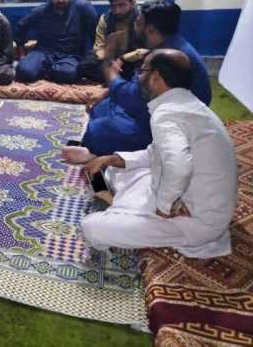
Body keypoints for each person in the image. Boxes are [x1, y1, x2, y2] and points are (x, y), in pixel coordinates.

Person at [78, 49, 237, 258]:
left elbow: (179, 166)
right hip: (182, 192)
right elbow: (156, 154)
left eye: (142, 71)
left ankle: (120, 208)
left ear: (155, 77)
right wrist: (111, 159)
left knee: (91, 227)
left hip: (193, 218)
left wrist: (164, 206)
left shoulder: (167, 114)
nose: (138, 78)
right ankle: (121, 205)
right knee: (114, 171)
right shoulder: (186, 105)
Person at [64, 0, 211, 161]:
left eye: (138, 23)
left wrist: (108, 61)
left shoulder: (168, 56)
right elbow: (138, 83)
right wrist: (108, 91)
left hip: (170, 125)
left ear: (150, 29)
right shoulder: (169, 44)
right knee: (101, 107)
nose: (135, 27)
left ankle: (100, 154)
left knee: (97, 131)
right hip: (152, 107)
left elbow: (133, 97)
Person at [15, 0, 98, 84]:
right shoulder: (42, 10)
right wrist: (21, 53)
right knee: (24, 71)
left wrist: (90, 57)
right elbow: (21, 26)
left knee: (68, 73)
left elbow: (96, 34)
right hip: (44, 53)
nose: (60, 0)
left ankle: (49, 71)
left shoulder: (84, 7)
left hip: (71, 55)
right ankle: (50, 71)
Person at [78, 0, 143, 82]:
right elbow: (98, 48)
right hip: (112, 58)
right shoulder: (106, 19)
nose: (117, 11)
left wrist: (123, 58)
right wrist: (110, 61)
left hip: (133, 59)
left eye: (122, 5)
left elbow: (146, 50)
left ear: (133, 3)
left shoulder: (141, 18)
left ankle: (118, 77)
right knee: (84, 66)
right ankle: (119, 77)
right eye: (113, 6)